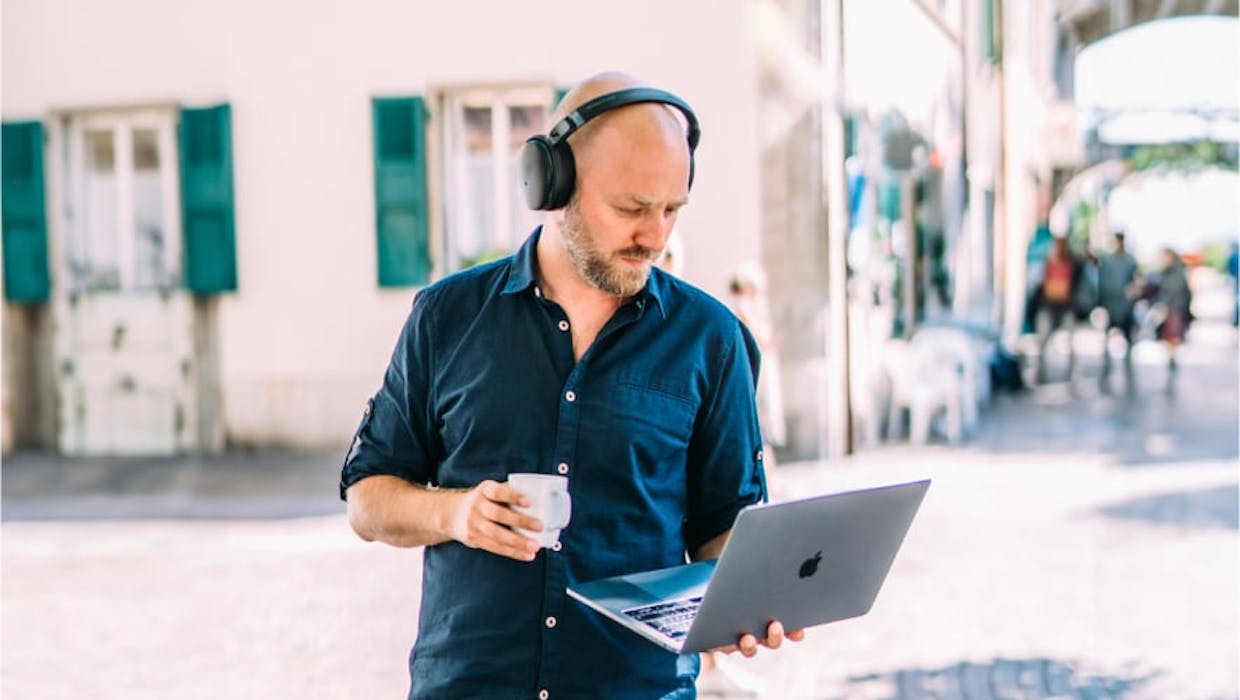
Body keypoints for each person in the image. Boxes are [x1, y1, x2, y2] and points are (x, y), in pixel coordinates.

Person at [340, 71, 801, 699]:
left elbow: (725, 525)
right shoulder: (445, 317)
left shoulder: (712, 339)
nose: (655, 237)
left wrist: (744, 600)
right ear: (552, 185)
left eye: (671, 210)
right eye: (631, 209)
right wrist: (455, 512)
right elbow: (367, 499)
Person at [1033, 236, 1083, 383]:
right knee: (1042, 341)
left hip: (1066, 307)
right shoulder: (1048, 264)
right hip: (1048, 306)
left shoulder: (1072, 264)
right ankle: (1040, 373)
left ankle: (1072, 374)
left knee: (1071, 342)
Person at [1096, 231, 1140, 391]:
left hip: (1125, 306)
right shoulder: (1107, 260)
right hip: (1110, 304)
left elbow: (1136, 280)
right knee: (1107, 338)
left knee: (1127, 340)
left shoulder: (1129, 261)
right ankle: (1106, 369)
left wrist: (1133, 295)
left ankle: (1127, 369)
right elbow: (1101, 281)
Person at [1146, 246, 1193, 393]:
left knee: (1172, 341)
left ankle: (1172, 363)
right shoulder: (1160, 274)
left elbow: (1185, 294)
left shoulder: (1178, 274)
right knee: (1168, 342)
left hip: (1174, 312)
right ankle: (1171, 362)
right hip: (1165, 312)